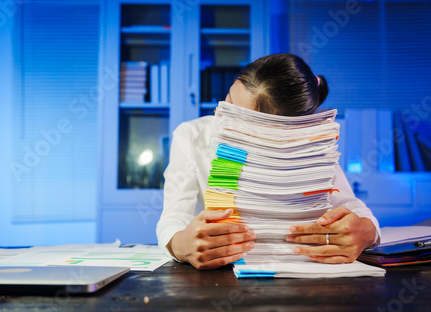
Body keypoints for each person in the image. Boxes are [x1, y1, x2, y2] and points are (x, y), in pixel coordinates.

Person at [156, 54, 380, 270]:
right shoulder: (193, 136)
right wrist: (180, 244)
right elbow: (173, 216)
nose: (223, 118)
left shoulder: (309, 147)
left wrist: (366, 232)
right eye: (228, 101)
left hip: (303, 275)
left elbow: (349, 205)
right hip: (220, 274)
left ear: (286, 131)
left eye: (244, 121)